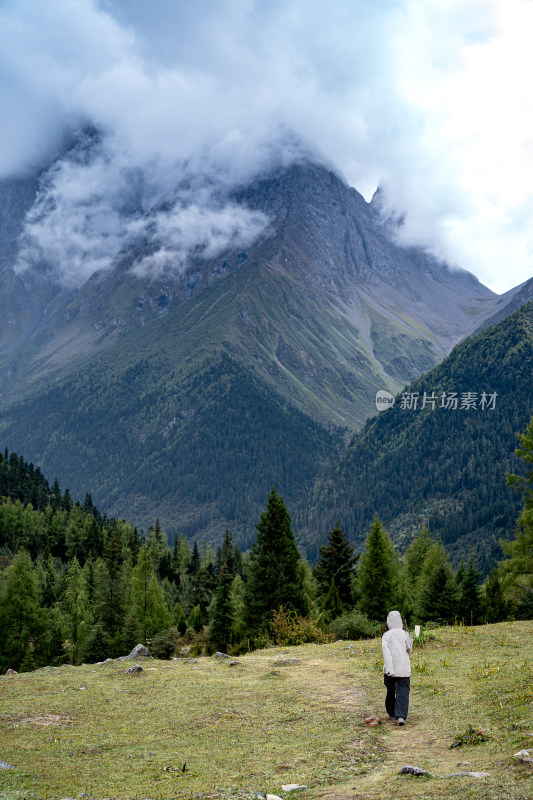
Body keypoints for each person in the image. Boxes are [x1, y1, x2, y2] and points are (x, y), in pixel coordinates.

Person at [382, 609, 413, 726]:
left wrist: (390, 669)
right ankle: (401, 716)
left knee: (390, 691)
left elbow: (386, 653)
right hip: (404, 669)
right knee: (403, 692)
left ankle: (392, 712)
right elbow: (409, 649)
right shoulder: (405, 634)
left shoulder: (386, 635)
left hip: (390, 670)